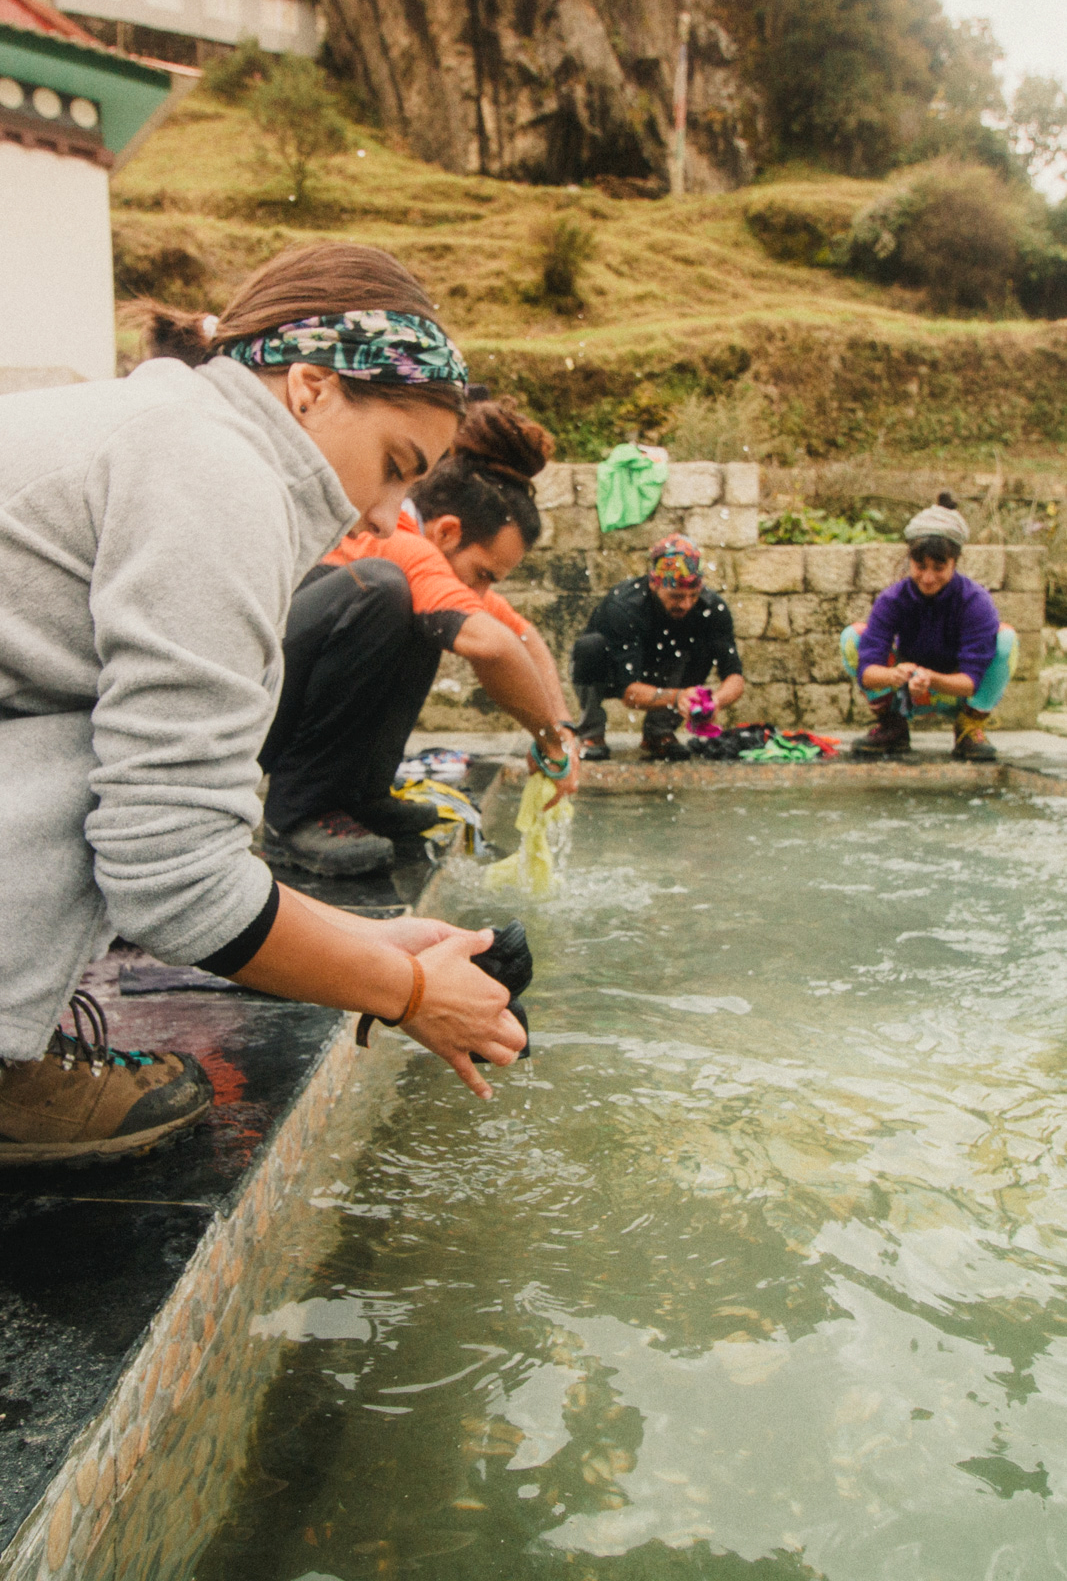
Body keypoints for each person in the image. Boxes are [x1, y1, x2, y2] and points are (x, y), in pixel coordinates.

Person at [0, 241, 527, 1168]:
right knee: (120, 765)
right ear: (311, 389)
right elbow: (171, 875)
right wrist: (403, 989)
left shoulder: (170, 425)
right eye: (396, 465)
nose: (384, 515)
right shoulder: (216, 470)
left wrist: (358, 942)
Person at [260, 399, 580, 876]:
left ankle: (361, 797)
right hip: (249, 712)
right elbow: (492, 647)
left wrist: (565, 728)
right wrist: (550, 745)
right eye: (484, 574)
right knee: (387, 591)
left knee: (423, 613)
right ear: (448, 532)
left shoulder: (433, 564)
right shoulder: (401, 548)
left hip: (278, 702)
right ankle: (298, 813)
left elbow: (522, 635)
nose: (484, 591)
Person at [841, 497, 1018, 761]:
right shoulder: (892, 599)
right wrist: (893, 676)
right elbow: (868, 672)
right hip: (906, 695)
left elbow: (971, 682)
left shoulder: (976, 602)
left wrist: (931, 679)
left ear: (955, 562)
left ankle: (968, 727)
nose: (928, 578)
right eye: (920, 566)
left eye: (939, 567)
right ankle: (893, 725)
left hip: (957, 694)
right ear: (909, 560)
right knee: (852, 636)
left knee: (1006, 639)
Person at [571, 534, 745, 761]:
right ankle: (591, 733)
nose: (686, 604)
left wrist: (716, 701)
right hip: (615, 672)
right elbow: (629, 694)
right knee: (588, 647)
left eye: (693, 595)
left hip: (668, 667)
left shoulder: (711, 608)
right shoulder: (623, 607)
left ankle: (659, 731)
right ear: (654, 583)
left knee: (702, 645)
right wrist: (678, 697)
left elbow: (735, 676)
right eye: (676, 596)